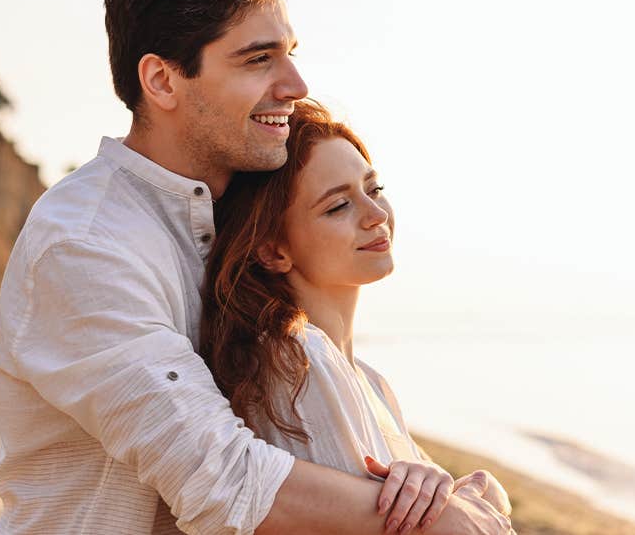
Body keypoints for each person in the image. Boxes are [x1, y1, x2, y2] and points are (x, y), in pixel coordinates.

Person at [0, 0, 513, 534]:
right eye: (258, 59)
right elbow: (221, 477)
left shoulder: (239, 210)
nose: (295, 83)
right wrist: (434, 518)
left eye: (289, 53)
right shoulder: (87, 244)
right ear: (162, 80)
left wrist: (417, 479)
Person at [199, 101, 512, 535]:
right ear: (273, 250)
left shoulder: (364, 377)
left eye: (374, 188)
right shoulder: (297, 358)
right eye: (338, 206)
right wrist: (472, 500)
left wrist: (473, 491)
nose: (377, 215)